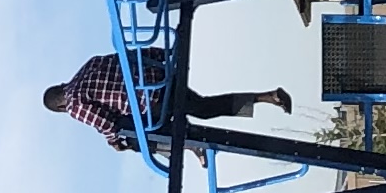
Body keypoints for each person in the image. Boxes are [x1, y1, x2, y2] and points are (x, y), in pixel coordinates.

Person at [43, 50, 287, 153]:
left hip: (153, 101)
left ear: (61, 106)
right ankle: (267, 97)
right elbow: (130, 56)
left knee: (136, 137)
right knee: (202, 107)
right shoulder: (90, 63)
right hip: (160, 77)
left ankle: (190, 146)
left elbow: (105, 123)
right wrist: (163, 55)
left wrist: (114, 143)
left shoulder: (74, 104)